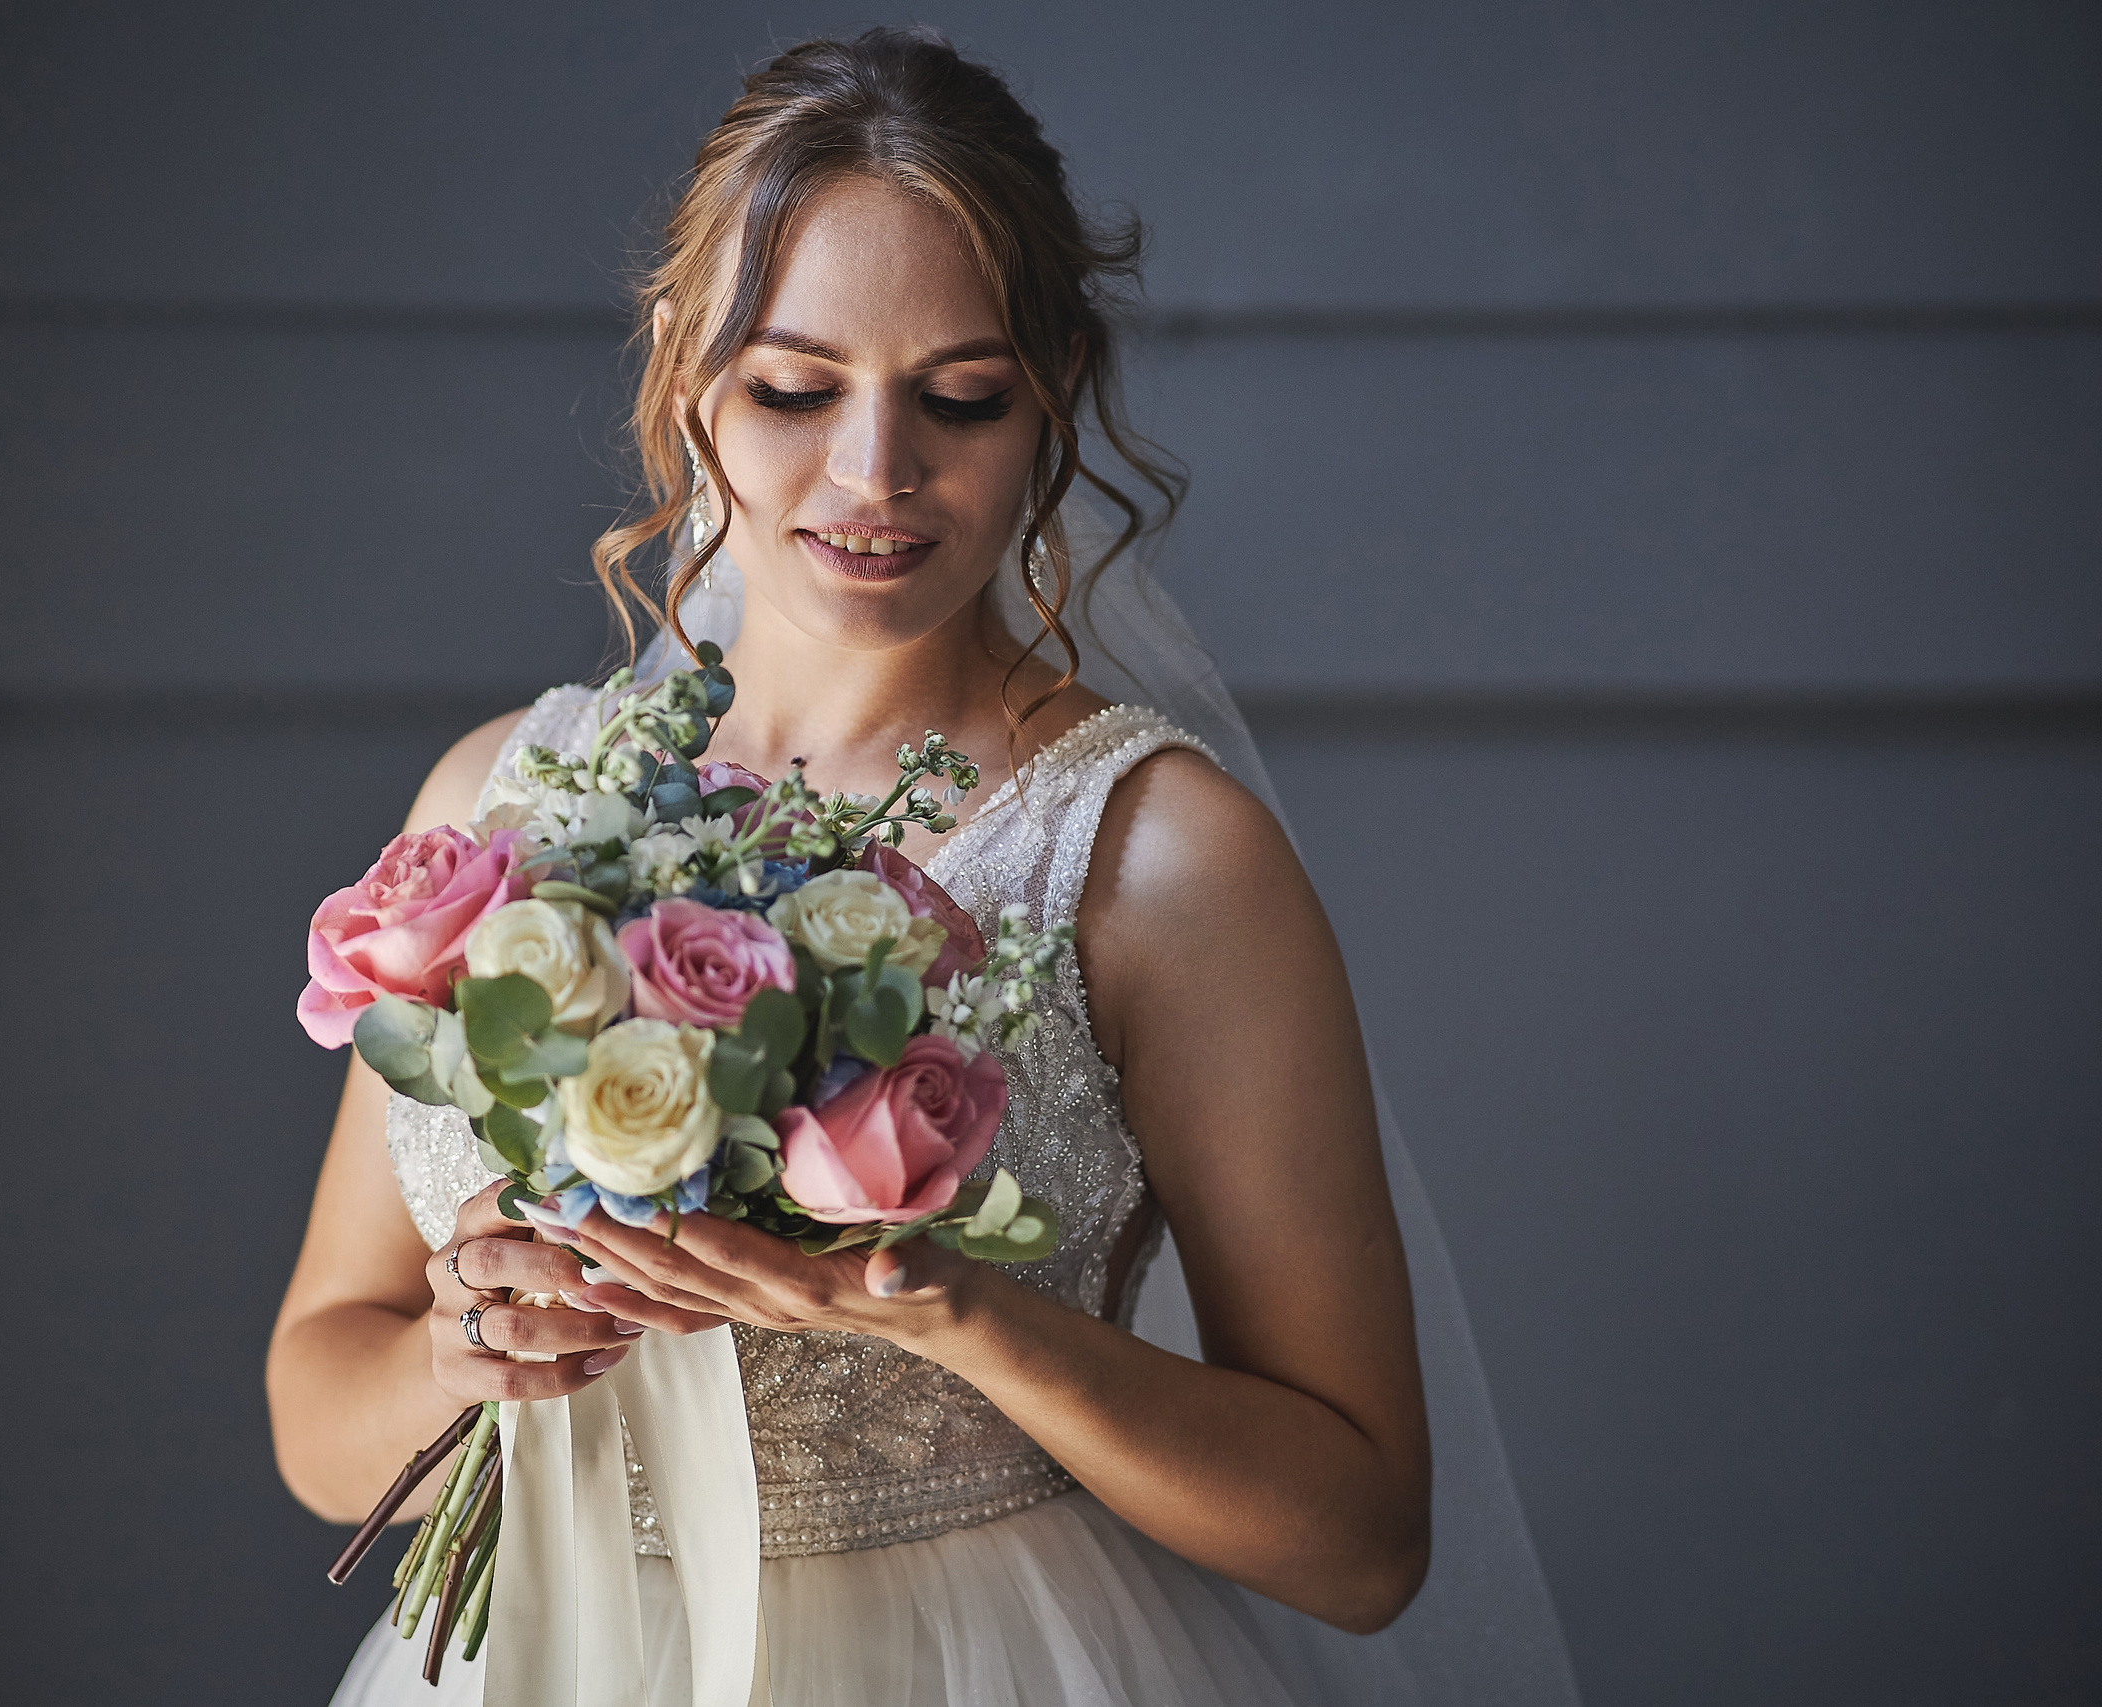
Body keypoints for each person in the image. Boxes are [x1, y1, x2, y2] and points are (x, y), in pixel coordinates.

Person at [270, 28, 1575, 1706]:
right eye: (796, 388)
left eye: (960, 397)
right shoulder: (501, 806)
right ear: (684, 367)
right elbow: (320, 1411)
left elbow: (1362, 1540)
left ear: (1055, 387)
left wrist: (953, 1315)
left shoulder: (1157, 862)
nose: (875, 477)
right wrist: (474, 1354)